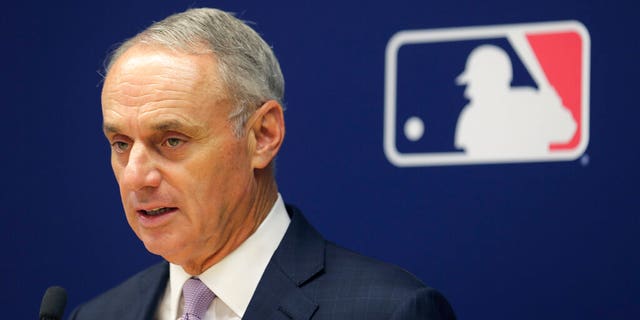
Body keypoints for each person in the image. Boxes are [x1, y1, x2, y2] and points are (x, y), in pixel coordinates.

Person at [69, 7, 456, 319]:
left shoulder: (389, 312)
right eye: (120, 144)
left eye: (172, 140)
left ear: (263, 136)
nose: (136, 176)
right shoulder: (97, 314)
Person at [455, 44, 576, 157]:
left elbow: (566, 131)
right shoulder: (471, 115)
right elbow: (468, 161)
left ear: (490, 80)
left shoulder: (530, 103)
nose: (468, 92)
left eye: (474, 83)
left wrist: (553, 108)